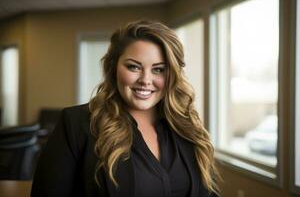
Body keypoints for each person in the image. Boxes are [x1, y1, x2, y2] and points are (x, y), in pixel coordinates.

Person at [31, 20, 220, 197]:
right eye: (134, 67)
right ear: (113, 68)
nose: (146, 80)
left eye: (158, 69)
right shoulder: (76, 124)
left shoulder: (186, 125)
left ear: (172, 74)